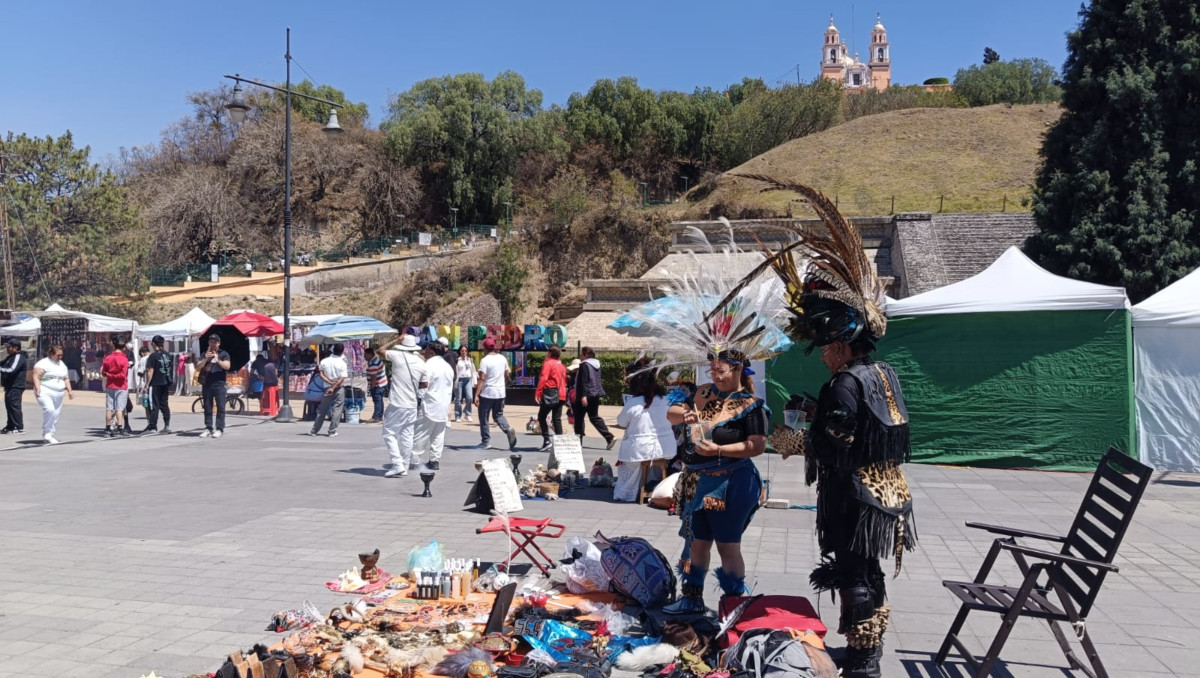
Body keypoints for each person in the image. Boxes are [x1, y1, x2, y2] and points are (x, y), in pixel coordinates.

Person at [759, 182, 916, 678]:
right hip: (886, 489)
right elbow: (874, 429)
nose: (824, 354)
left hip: (856, 497)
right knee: (866, 571)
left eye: (828, 346)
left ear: (845, 345)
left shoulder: (845, 383)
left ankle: (865, 664)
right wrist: (815, 410)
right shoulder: (883, 373)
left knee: (855, 573)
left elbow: (837, 445)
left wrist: (791, 440)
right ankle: (867, 652)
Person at [613, 358, 670, 502]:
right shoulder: (666, 400)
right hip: (665, 449)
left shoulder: (633, 403)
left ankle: (628, 492)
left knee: (631, 461)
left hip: (638, 450)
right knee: (645, 456)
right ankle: (653, 485)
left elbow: (621, 422)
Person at [380, 334, 427, 477]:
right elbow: (424, 384)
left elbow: (380, 350)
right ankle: (404, 466)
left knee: (389, 433)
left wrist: (395, 340)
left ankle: (397, 463)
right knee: (407, 436)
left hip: (397, 402)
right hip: (412, 403)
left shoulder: (397, 356)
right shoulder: (421, 363)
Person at [414, 340, 454, 469]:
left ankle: (414, 459)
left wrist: (418, 398)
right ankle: (434, 460)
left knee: (421, 433)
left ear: (431, 351)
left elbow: (424, 384)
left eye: (425, 350)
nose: (423, 352)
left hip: (430, 404)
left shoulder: (428, 365)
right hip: (443, 405)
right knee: (438, 434)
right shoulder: (448, 367)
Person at [472, 338, 517, 450]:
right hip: (500, 393)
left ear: (485, 348)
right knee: (498, 415)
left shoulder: (485, 360)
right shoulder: (502, 358)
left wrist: (477, 394)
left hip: (488, 393)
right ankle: (508, 429)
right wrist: (504, 385)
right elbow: (507, 375)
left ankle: (486, 441)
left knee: (484, 417)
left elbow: (482, 378)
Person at [572, 346, 615, 450]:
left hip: (585, 395)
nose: (580, 356)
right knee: (594, 417)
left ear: (586, 355)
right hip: (595, 394)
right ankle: (608, 437)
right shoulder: (596, 365)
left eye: (582, 354)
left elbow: (584, 381)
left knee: (578, 418)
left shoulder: (585, 365)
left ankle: (578, 440)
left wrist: (583, 396)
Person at [32, 345, 73, 444]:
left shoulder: (62, 364)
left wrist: (70, 391)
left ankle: (50, 432)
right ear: (51, 354)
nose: (60, 357)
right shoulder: (42, 363)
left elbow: (66, 378)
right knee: (49, 409)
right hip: (45, 390)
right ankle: (46, 431)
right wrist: (38, 388)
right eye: (58, 355)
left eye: (61, 355)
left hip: (58, 392)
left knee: (55, 413)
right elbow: (36, 376)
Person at [309, 343, 348, 437]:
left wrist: (330, 384)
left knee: (322, 409)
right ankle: (332, 430)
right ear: (342, 351)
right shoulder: (342, 363)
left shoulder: (324, 361)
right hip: (338, 387)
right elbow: (342, 378)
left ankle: (314, 430)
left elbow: (321, 374)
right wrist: (334, 386)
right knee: (337, 409)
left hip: (327, 387)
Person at [196, 334, 231, 438]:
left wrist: (218, 360)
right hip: (207, 383)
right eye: (211, 342)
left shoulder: (223, 354)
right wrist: (205, 359)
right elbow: (197, 366)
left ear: (218, 343)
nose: (213, 344)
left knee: (220, 406)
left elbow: (227, 366)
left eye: (215, 342)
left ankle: (219, 428)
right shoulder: (204, 354)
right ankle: (208, 427)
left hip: (219, 383)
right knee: (207, 406)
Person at [534, 345, 567, 452]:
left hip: (551, 392)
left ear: (550, 353)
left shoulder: (548, 363)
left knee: (542, 416)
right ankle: (560, 443)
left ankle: (547, 441)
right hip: (561, 393)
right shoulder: (561, 365)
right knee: (556, 419)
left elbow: (543, 378)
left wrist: (538, 393)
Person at [142, 335, 174, 434]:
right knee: (164, 404)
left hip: (156, 383)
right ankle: (167, 425)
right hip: (166, 382)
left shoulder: (153, 356)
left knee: (154, 405)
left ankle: (153, 427)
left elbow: (150, 371)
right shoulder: (168, 355)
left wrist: (147, 384)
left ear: (153, 343)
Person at [101, 337, 131, 438]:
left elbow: (103, 372)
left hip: (110, 385)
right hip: (121, 385)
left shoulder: (108, 358)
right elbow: (123, 375)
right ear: (123, 347)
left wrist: (110, 375)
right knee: (119, 408)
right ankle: (119, 428)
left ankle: (108, 428)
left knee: (109, 408)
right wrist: (113, 375)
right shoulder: (124, 359)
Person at [0, 338, 28, 434]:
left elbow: (11, 369)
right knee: (9, 406)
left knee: (14, 406)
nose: (7, 348)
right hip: (9, 386)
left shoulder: (19, 357)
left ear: (16, 348)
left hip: (16, 386)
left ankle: (18, 427)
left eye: (9, 347)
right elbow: (2, 364)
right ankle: (10, 426)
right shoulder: (11, 357)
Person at [364, 346, 388, 423]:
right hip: (383, 383)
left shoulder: (373, 364)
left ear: (370, 354)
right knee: (380, 400)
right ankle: (380, 416)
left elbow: (373, 377)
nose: (364, 356)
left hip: (378, 384)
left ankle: (376, 417)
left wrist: (372, 387)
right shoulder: (377, 360)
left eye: (365, 355)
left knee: (377, 400)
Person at [453, 345, 476, 422]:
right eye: (462, 351)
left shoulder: (470, 360)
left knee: (469, 398)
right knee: (458, 399)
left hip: (468, 379)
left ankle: (467, 413)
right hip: (459, 379)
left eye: (465, 351)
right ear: (460, 351)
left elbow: (473, 370)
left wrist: (474, 380)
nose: (464, 352)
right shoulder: (457, 360)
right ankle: (457, 415)